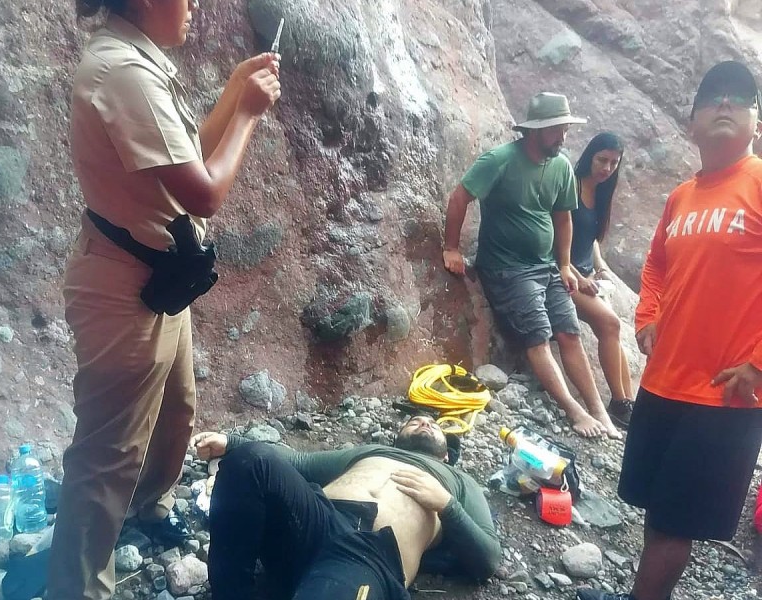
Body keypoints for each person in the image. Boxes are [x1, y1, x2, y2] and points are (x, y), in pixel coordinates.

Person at [46, 0, 281, 597]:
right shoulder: (122, 73)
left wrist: (231, 89)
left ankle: (148, 507)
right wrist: (249, 114)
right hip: (125, 287)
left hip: (156, 277)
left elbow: (186, 161)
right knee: (106, 455)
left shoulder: (138, 63)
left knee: (177, 406)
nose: (195, 4)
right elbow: (203, 194)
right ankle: (77, 587)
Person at [576, 60, 762, 600]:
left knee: (676, 523)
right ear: (692, 122)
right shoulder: (682, 196)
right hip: (663, 382)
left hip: (724, 394)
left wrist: (758, 362)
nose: (725, 103)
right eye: (712, 96)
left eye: (739, 97)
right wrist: (646, 317)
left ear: (756, 119)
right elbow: (656, 265)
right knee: (658, 510)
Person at [443, 92, 620, 439]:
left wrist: (566, 265)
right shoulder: (500, 160)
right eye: (556, 129)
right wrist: (451, 247)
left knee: (570, 333)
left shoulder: (561, 165)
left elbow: (563, 218)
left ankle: (600, 411)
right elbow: (459, 197)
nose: (562, 137)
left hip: (546, 266)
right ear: (534, 130)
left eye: (565, 129)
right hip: (507, 269)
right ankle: (575, 411)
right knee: (538, 337)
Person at [191, 415, 501, 600]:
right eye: (415, 420)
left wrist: (447, 505)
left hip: (368, 553)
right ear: (397, 438)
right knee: (251, 458)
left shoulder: (460, 482)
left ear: (446, 455)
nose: (424, 422)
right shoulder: (372, 451)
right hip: (316, 521)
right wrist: (232, 441)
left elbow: (488, 559)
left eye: (432, 424)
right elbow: (298, 462)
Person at [569, 132, 635, 428]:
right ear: (589, 157)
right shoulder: (570, 186)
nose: (607, 168)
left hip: (587, 275)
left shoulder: (602, 191)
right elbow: (551, 235)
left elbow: (591, 237)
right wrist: (576, 274)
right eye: (602, 160)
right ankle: (620, 404)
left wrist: (600, 265)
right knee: (610, 324)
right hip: (562, 273)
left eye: (613, 163)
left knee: (613, 328)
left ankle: (627, 401)